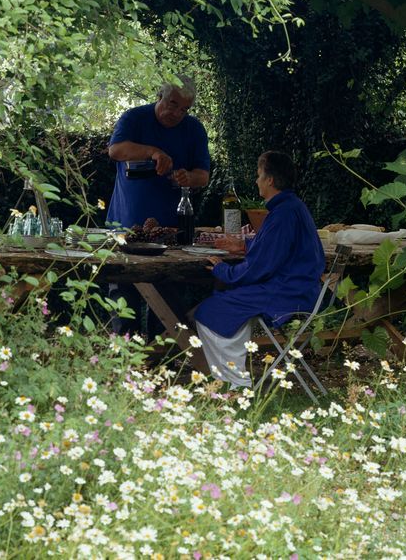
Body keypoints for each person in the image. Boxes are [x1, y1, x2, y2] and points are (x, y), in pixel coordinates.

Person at [194, 151, 325, 388]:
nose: (257, 181)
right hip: (301, 289)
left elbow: (259, 268)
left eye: (258, 175)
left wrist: (223, 270)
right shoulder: (292, 207)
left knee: (210, 311)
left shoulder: (282, 214)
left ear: (270, 180)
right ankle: (234, 380)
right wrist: (245, 244)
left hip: (287, 293)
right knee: (230, 306)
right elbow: (277, 248)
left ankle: (235, 382)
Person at [106, 76, 211, 229]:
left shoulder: (194, 129)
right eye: (173, 104)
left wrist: (188, 178)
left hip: (173, 228)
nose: (176, 114)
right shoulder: (134, 118)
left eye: (184, 110)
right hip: (126, 223)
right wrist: (153, 152)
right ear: (160, 95)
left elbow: (203, 177)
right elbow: (115, 151)